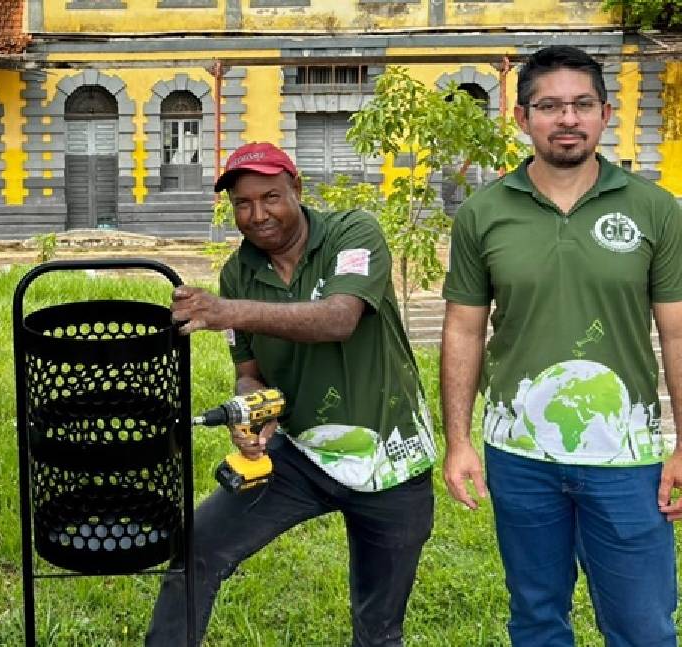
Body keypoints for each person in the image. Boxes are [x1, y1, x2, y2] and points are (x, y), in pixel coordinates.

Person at [147, 142, 437, 647]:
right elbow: (249, 372)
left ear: (297, 190)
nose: (258, 215)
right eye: (242, 203)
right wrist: (251, 409)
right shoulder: (239, 273)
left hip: (391, 457)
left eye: (271, 197)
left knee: (379, 628)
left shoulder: (353, 232)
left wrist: (227, 311)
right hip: (300, 453)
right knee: (197, 548)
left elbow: (339, 318)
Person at [441, 44, 682, 646]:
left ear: (604, 113)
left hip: (626, 455)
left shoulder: (655, 209)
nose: (566, 119)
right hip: (519, 455)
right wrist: (460, 441)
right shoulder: (482, 214)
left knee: (642, 624)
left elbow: (677, 330)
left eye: (581, 105)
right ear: (522, 118)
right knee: (537, 616)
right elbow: (463, 329)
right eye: (549, 106)